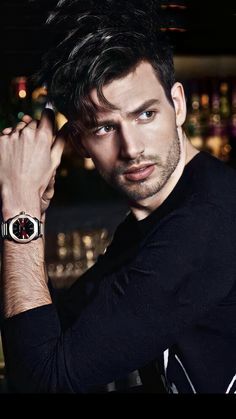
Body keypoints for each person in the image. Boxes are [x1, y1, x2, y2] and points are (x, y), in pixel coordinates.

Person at [0, 0, 236, 394]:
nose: (132, 148)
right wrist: (33, 208)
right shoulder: (156, 219)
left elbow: (43, 382)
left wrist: (19, 213)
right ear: (79, 141)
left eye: (146, 114)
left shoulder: (204, 225)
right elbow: (57, 332)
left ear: (177, 105)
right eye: (106, 128)